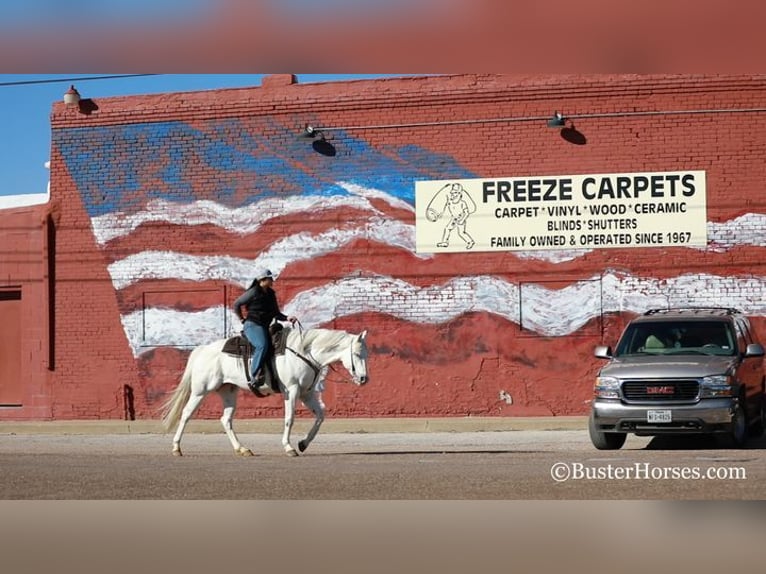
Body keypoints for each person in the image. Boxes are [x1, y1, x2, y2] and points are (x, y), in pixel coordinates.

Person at [232, 269, 297, 388]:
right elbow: (236, 304)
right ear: (262, 280)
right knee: (262, 345)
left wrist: (288, 318)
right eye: (270, 278)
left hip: (264, 326)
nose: (272, 280)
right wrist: (242, 319)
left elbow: (276, 313)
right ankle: (254, 376)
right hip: (253, 325)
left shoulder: (271, 294)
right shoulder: (253, 292)